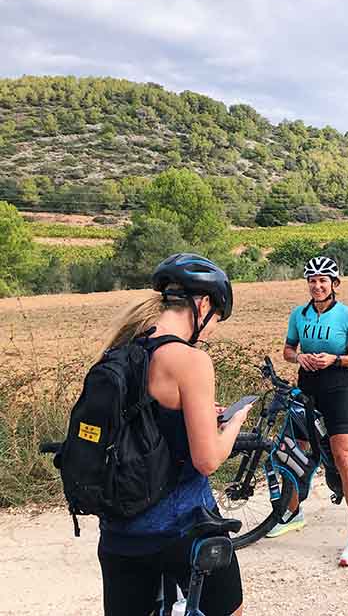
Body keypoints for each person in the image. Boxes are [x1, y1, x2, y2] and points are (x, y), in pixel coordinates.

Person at [96, 253, 251, 616]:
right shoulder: (190, 360)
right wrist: (234, 423)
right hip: (183, 527)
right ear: (203, 304)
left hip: (119, 532)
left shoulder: (120, 351)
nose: (212, 330)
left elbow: (142, 423)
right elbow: (207, 460)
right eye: (216, 320)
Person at [267, 255, 348, 567]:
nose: (317, 285)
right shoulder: (298, 315)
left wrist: (335, 360)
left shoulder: (347, 316)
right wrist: (298, 358)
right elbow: (287, 350)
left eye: (323, 280)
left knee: (343, 459)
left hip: (337, 392)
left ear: (334, 284)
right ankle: (293, 513)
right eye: (312, 280)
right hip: (306, 391)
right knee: (295, 455)